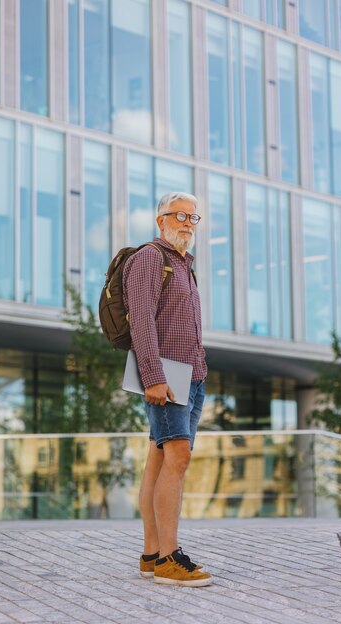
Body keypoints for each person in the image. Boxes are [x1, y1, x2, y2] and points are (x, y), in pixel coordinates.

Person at [123, 192, 212, 587]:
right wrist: (153, 376)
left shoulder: (184, 265)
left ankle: (151, 553)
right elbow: (141, 320)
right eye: (180, 216)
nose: (187, 223)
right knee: (178, 457)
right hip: (168, 374)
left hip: (192, 375)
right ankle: (168, 559)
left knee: (159, 459)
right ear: (161, 220)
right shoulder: (149, 258)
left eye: (194, 218)